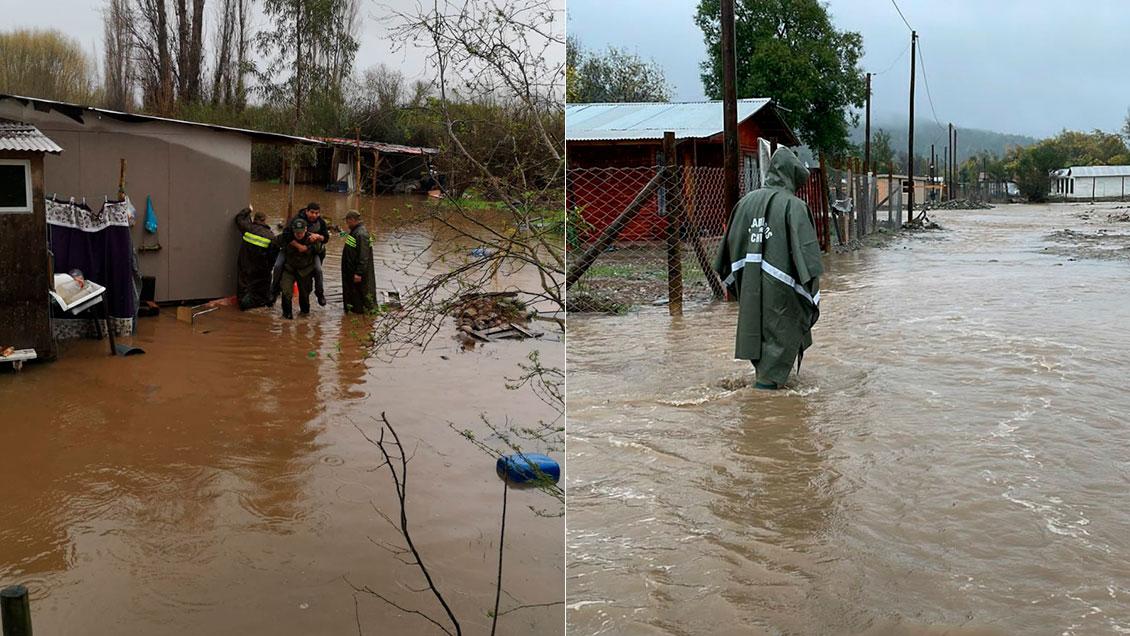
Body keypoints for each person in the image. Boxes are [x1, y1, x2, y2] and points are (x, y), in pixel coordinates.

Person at [712, 146, 823, 390]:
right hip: (783, 290)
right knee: (782, 333)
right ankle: (765, 402)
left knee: (758, 332)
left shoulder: (744, 203)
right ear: (792, 175)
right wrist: (812, 293)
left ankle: (761, 395)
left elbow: (728, 252)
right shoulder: (795, 206)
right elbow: (808, 258)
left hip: (750, 286)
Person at [271, 202, 330, 305]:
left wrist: (317, 237)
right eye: (312, 212)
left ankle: (320, 294)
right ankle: (274, 290)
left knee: (319, 270)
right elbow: (285, 235)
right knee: (278, 265)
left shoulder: (320, 222)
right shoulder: (297, 219)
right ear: (307, 211)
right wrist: (298, 246)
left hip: (311, 250)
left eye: (317, 213)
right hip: (291, 248)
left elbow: (326, 239)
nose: (314, 215)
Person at [234, 206, 277, 310]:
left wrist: (249, 209)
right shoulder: (270, 236)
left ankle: (244, 306)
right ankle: (264, 305)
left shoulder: (248, 229)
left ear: (254, 219)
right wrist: (269, 268)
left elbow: (239, 218)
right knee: (262, 289)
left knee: (245, 287)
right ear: (265, 221)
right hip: (261, 268)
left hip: (245, 265)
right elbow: (273, 256)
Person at [279, 217, 317, 319]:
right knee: (286, 293)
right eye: (296, 232)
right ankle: (287, 317)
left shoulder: (312, 240)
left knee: (305, 296)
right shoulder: (286, 238)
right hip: (289, 270)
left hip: (305, 271)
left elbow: (321, 253)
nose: (299, 235)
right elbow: (272, 244)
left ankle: (304, 316)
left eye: (301, 232)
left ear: (305, 229)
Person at [341, 210, 377, 314]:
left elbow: (364, 256)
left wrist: (358, 273)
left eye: (347, 221)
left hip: (358, 273)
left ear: (351, 220)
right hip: (352, 270)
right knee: (354, 294)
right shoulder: (356, 231)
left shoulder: (361, 233)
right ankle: (353, 312)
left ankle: (363, 314)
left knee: (362, 294)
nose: (347, 224)